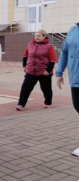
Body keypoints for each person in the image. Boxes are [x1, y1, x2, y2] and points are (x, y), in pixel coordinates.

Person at [16, 29, 56, 111]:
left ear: (44, 37)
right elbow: (25, 55)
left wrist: (48, 71)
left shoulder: (48, 46)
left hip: (44, 72)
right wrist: (24, 66)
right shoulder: (30, 44)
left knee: (46, 89)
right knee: (25, 88)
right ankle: (21, 104)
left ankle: (48, 103)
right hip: (31, 71)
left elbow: (52, 59)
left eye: (39, 36)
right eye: (36, 35)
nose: (37, 37)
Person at [56, 23, 79, 157]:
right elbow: (64, 51)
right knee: (77, 106)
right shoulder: (73, 30)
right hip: (75, 78)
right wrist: (59, 73)